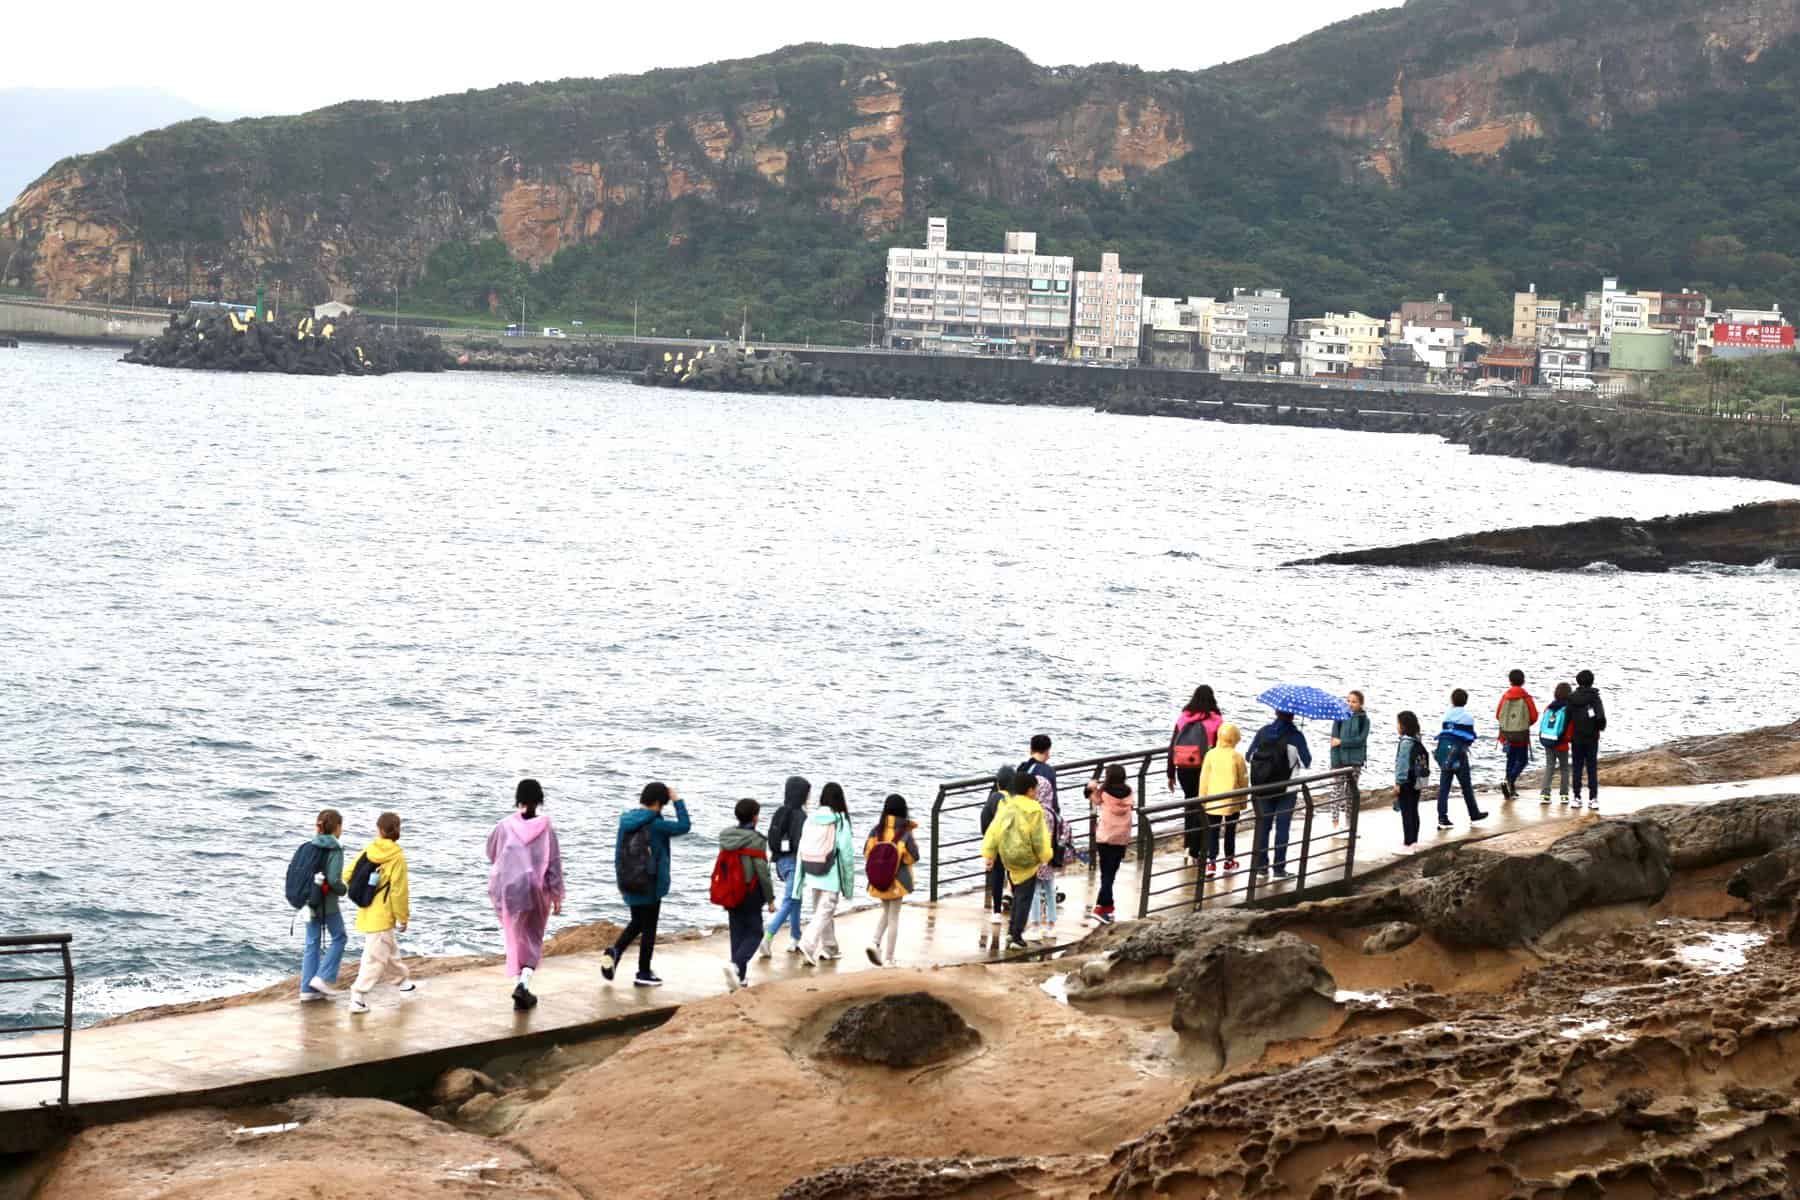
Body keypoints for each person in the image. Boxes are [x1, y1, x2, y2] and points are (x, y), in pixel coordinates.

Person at [603, 781, 691, 988]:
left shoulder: (626, 821)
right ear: (659, 803)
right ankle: (643, 972)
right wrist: (678, 801)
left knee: (637, 922)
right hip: (650, 883)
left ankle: (615, 952)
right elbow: (684, 826)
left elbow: (618, 853)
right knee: (648, 928)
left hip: (629, 880)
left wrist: (621, 881)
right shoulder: (657, 824)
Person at [487, 779, 565, 1010]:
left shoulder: (504, 826)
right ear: (539, 799)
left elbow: (491, 852)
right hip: (536, 890)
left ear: (518, 798)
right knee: (533, 937)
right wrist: (557, 894)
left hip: (510, 889)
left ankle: (520, 983)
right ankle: (523, 984)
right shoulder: (546, 828)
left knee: (516, 936)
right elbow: (554, 863)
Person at [346, 811, 414, 1015]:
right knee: (374, 958)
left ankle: (403, 982)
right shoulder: (397, 857)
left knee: (388, 950)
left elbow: (347, 874)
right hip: (383, 915)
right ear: (397, 831)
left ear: (379, 830)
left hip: (367, 908)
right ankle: (358, 996)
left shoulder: (370, 849)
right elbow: (398, 891)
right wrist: (403, 917)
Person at [982, 769, 1053, 949]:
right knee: (1024, 897)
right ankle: (1016, 936)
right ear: (1030, 790)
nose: (1036, 793)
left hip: (1008, 855)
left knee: (1016, 892)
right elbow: (1039, 837)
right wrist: (1046, 855)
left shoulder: (1007, 805)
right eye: (1035, 790)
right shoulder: (1034, 809)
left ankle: (1011, 932)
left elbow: (994, 830)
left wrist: (989, 854)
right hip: (1026, 857)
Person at [1246, 712, 1312, 878]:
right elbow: (1306, 762)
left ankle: (1261, 867)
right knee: (1282, 828)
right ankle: (1279, 869)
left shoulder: (1263, 731)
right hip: (1287, 789)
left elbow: (1249, 756)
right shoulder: (1296, 736)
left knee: (1263, 827)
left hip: (1263, 787)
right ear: (1293, 716)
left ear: (1276, 712)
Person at [718, 798, 774, 992]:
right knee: (756, 933)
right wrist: (770, 899)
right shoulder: (757, 840)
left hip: (730, 891)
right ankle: (736, 965)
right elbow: (762, 872)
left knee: (737, 932)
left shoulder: (726, 836)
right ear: (755, 817)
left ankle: (739, 978)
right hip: (750, 893)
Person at [797, 783, 856, 967]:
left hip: (812, 868)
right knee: (825, 910)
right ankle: (807, 944)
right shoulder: (840, 820)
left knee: (821, 911)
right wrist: (848, 885)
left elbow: (801, 847)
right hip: (830, 872)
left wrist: (799, 880)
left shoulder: (811, 818)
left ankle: (830, 948)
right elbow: (846, 854)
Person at [1167, 686, 1225, 861]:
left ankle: (1188, 844)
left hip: (1184, 768)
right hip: (1206, 768)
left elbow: (1172, 746)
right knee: (1203, 806)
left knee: (1190, 803)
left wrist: (1170, 773)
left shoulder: (1184, 717)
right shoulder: (1217, 720)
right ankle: (1197, 848)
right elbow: (1221, 748)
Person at [863, 793, 920, 967]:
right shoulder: (905, 833)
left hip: (879, 880)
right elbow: (913, 857)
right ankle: (889, 958)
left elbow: (866, 853)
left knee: (887, 912)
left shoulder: (876, 831)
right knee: (894, 916)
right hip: (897, 883)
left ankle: (874, 942)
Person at [299, 809, 349, 1003]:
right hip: (327, 904)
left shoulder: (309, 845)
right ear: (337, 828)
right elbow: (335, 880)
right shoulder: (335, 849)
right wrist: (344, 889)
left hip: (308, 901)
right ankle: (322, 977)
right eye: (341, 826)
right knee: (340, 937)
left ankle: (307, 990)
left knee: (312, 942)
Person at [760, 776, 811, 957]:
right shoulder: (802, 816)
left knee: (796, 899)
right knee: (790, 900)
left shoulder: (780, 811)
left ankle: (795, 938)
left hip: (780, 861)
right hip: (795, 862)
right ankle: (768, 937)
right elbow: (801, 843)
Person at [1085, 764, 1134, 925]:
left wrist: (1091, 786)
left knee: (1106, 874)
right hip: (1122, 837)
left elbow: (1090, 796)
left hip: (1105, 837)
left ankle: (1100, 909)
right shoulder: (1129, 792)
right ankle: (1107, 907)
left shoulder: (1104, 793)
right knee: (1111, 873)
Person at [1434, 689, 1487, 830]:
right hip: (1459, 755)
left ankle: (1442, 818)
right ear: (1465, 701)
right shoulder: (1468, 718)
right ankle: (1473, 814)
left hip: (1445, 755)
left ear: (1452, 700)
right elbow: (1469, 737)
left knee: (1444, 787)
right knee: (1466, 786)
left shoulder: (1446, 715)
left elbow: (1446, 733)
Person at [1199, 723, 1249, 873]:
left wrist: (1202, 799)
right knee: (1230, 831)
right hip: (1232, 801)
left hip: (1213, 800)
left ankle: (1211, 862)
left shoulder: (1210, 754)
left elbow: (1204, 779)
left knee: (1213, 831)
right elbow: (1244, 780)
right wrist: (1243, 801)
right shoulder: (1237, 756)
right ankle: (1229, 861)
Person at [979, 765, 1018, 925]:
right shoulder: (1017, 799)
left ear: (998, 783)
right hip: (1014, 842)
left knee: (997, 874)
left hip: (998, 843)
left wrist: (988, 844)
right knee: (1014, 874)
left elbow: (985, 819)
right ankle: (1016, 907)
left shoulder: (994, 798)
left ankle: (996, 911)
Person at [1328, 691, 1371, 828]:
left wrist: (1342, 742)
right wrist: (1334, 762)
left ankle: (1349, 824)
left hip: (1355, 762)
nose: (1350, 704)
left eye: (1354, 701)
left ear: (1361, 704)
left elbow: (1360, 741)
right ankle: (1335, 824)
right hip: (1339, 761)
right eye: (1348, 701)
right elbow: (1333, 742)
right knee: (1336, 792)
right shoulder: (1339, 717)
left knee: (1351, 794)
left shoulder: (1364, 720)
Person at [1495, 670, 1540, 801]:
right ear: (1523, 681)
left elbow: (1498, 715)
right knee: (1523, 761)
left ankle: (1509, 784)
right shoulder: (1526, 697)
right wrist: (1522, 724)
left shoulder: (1505, 697)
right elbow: (1534, 716)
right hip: (1521, 736)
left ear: (1510, 681)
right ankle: (1510, 781)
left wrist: (1509, 725)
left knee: (1510, 760)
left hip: (1507, 735)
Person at [1028, 775, 1062, 942]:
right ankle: (1051, 925)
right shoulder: (1053, 812)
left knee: (1034, 891)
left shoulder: (1039, 813)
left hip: (1039, 857)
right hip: (1050, 858)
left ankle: (1035, 925)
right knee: (1049, 891)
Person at [1568, 669, 1609, 810]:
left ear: (1578, 681)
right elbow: (1601, 717)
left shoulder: (1572, 698)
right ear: (1592, 682)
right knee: (1592, 768)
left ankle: (1576, 797)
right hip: (1592, 738)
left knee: (1577, 767)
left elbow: (1567, 718)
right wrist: (1598, 728)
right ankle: (1593, 798)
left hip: (1576, 738)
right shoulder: (1595, 697)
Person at [1394, 712, 1431, 846]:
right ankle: (1414, 840)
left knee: (1406, 813)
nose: (1397, 726)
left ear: (1403, 726)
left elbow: (1402, 764)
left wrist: (1398, 782)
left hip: (1406, 781)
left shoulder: (1405, 743)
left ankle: (1408, 843)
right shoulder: (1416, 740)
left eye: (1398, 723)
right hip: (1416, 781)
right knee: (1413, 810)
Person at [1538, 682, 1575, 807]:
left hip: (1548, 741)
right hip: (1562, 743)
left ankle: (1545, 794)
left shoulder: (1549, 707)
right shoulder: (1568, 709)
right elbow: (1570, 727)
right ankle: (1564, 795)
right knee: (1564, 768)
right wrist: (1569, 739)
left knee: (1549, 767)